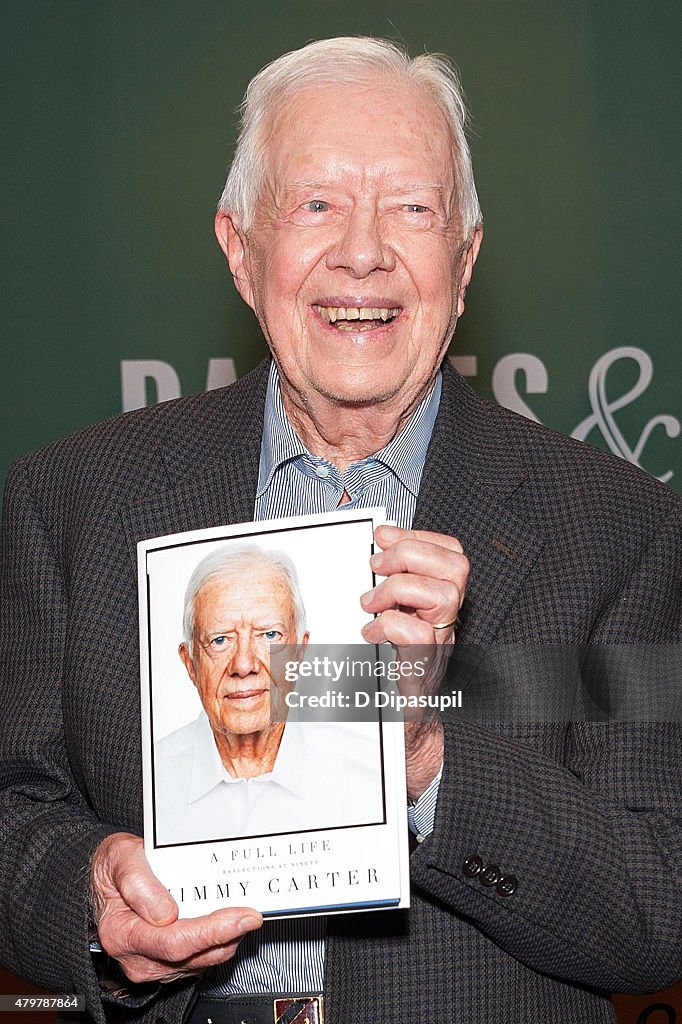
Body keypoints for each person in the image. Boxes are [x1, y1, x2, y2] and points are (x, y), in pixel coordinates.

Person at [0, 34, 680, 1024]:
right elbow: (14, 810)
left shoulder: (620, 530)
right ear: (240, 248)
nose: (362, 252)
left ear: (464, 257)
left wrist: (422, 757)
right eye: (315, 204)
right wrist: (91, 890)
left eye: (412, 208)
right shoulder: (71, 500)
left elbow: (655, 901)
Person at [154, 544, 383, 844]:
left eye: (269, 635)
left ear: (300, 652)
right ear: (190, 663)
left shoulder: (369, 774)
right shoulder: (150, 780)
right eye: (220, 640)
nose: (244, 665)